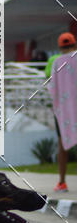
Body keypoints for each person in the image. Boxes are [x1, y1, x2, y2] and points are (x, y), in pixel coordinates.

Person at [46, 32, 77, 192]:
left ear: (60, 47)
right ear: (74, 44)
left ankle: (62, 182)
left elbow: (51, 87)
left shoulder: (56, 61)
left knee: (62, 145)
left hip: (64, 111)